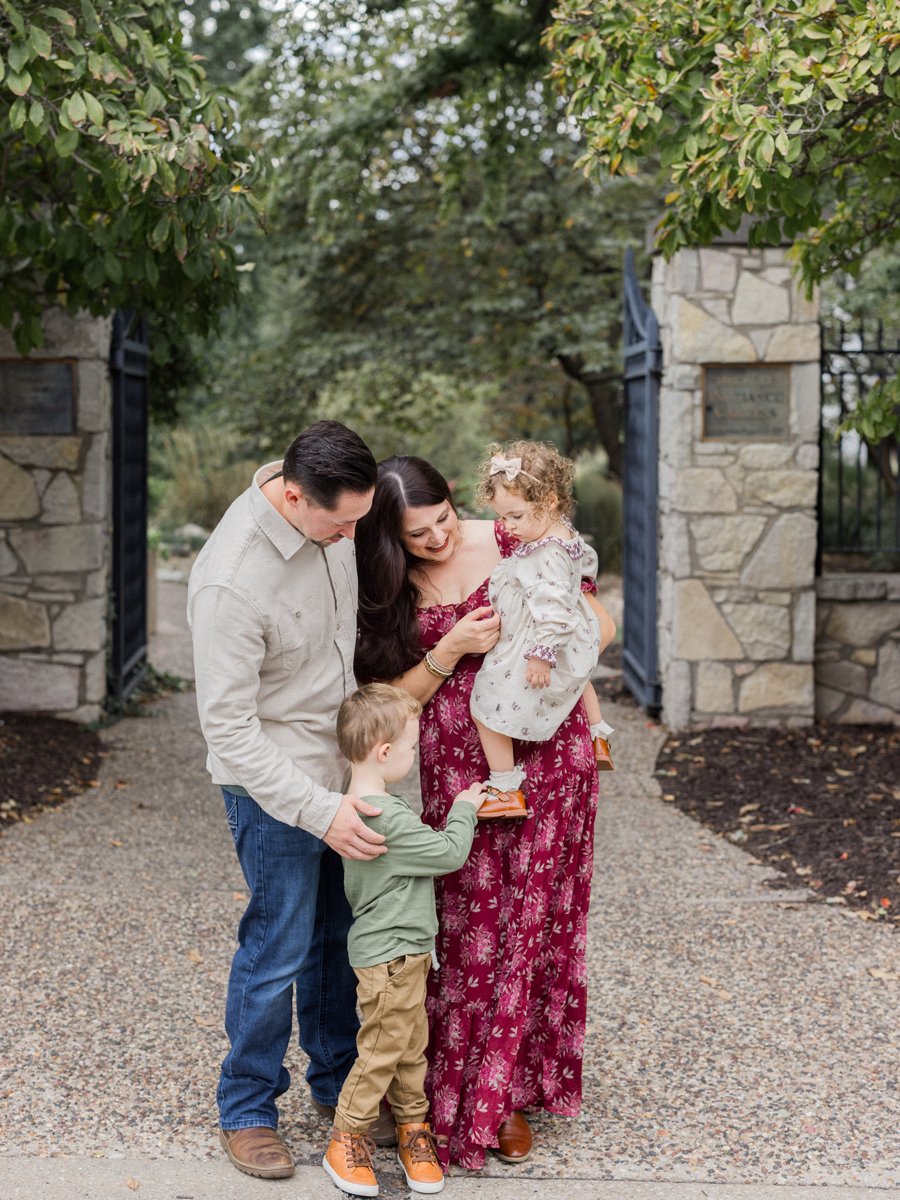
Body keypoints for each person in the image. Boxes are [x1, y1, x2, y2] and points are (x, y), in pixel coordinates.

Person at [354, 454, 616, 1170]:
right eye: (418, 533)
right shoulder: (384, 586)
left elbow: (599, 627)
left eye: (443, 519)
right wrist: (449, 649)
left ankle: (509, 1094)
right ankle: (456, 1079)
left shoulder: (513, 535)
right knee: (474, 919)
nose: (439, 538)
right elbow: (391, 701)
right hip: (459, 763)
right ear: (390, 537)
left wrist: (547, 648)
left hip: (546, 746)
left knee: (537, 916)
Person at [188, 420, 396, 1181]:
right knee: (277, 946)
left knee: (337, 939)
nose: (351, 536)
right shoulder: (230, 582)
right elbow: (231, 733)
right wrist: (319, 810)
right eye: (341, 522)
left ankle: (337, 1083)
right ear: (294, 495)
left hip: (340, 772)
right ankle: (246, 1106)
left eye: (359, 520)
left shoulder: (329, 515)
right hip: (270, 786)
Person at [323, 683, 487, 1196]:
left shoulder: (354, 804)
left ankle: (413, 1130)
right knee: (381, 1050)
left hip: (404, 952)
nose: (415, 757)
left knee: (410, 1048)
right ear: (385, 752)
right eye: (412, 749)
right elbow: (447, 853)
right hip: (391, 956)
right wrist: (464, 807)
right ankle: (345, 1138)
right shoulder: (386, 816)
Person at [470, 441, 615, 812]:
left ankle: (505, 789)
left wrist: (542, 654)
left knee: (485, 702)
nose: (508, 526)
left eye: (515, 516)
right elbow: (587, 562)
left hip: (538, 640)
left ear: (549, 500)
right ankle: (598, 736)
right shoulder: (561, 533)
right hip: (571, 634)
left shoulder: (546, 552)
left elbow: (551, 609)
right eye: (503, 518)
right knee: (581, 672)